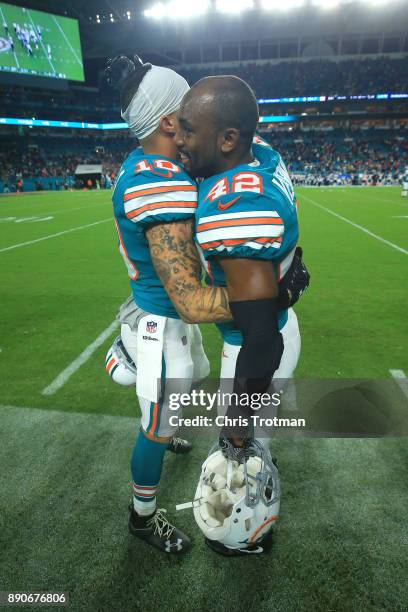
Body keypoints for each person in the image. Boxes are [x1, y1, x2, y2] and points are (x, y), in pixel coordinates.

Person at [105, 56, 309, 556]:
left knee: (192, 378)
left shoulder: (189, 164)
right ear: (170, 122)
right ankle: (142, 518)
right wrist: (276, 295)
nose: (196, 113)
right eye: (187, 110)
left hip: (174, 320)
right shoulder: (161, 179)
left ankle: (134, 355)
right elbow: (191, 300)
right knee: (158, 425)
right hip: (164, 320)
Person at [174, 76, 302, 554]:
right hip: (272, 327)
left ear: (228, 139)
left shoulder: (236, 208)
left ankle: (247, 536)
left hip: (255, 345)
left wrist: (233, 425)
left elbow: (261, 341)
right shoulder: (261, 153)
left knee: (242, 458)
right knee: (251, 444)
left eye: (188, 130)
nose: (180, 140)